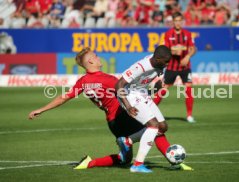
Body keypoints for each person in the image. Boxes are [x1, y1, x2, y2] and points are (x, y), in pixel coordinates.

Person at [28, 47, 180, 172]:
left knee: (124, 159)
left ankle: (90, 163)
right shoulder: (108, 80)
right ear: (90, 61)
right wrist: (153, 92)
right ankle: (173, 160)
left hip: (112, 122)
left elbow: (64, 97)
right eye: (95, 55)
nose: (98, 56)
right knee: (155, 129)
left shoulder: (84, 81)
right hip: (123, 115)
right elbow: (129, 91)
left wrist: (42, 109)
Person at [115, 45, 172, 173]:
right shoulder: (140, 66)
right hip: (129, 95)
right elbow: (119, 84)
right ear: (157, 59)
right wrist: (128, 106)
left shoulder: (160, 65)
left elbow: (150, 86)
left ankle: (128, 141)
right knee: (153, 125)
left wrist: (157, 87)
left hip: (142, 93)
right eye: (166, 61)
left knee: (162, 127)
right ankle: (137, 165)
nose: (168, 64)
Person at [153, 11, 197, 123]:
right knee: (163, 90)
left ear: (182, 21)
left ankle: (189, 115)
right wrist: (173, 51)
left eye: (179, 20)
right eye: (176, 21)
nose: (178, 23)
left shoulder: (187, 34)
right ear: (173, 22)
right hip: (172, 67)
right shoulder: (168, 34)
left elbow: (193, 49)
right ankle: (151, 111)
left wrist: (187, 56)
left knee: (188, 88)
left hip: (185, 66)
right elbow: (164, 50)